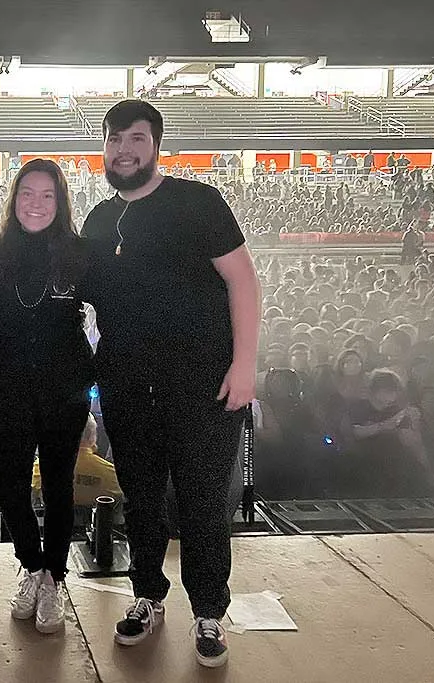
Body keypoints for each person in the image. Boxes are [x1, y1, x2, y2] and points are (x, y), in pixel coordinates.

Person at [80, 100, 260, 667]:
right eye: (115, 139)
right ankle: (146, 596)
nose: (124, 149)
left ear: (156, 145)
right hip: (128, 388)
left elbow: (243, 282)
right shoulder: (99, 222)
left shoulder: (198, 203)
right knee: (142, 502)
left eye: (136, 138)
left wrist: (246, 364)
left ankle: (208, 611)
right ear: (104, 146)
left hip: (204, 386)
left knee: (204, 506)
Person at [0, 158, 94, 634]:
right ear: (15, 199)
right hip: (10, 386)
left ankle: (54, 577)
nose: (36, 203)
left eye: (48, 195)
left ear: (60, 201)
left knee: (58, 487)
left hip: (64, 391)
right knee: (9, 485)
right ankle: (32, 565)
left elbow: (113, 313)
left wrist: (93, 384)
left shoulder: (79, 253)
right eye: (28, 193)